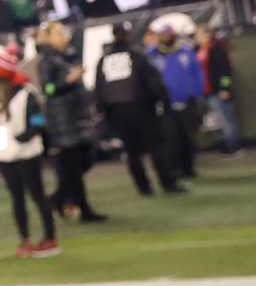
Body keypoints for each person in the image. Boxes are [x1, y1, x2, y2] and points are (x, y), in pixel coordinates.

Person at [0, 52, 59, 258]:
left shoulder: (27, 92)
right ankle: (25, 239)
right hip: (5, 156)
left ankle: (50, 238)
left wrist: (17, 139)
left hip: (27, 153)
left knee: (37, 195)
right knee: (16, 198)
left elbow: (38, 122)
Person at [95, 31, 185, 195]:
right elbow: (153, 81)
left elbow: (99, 89)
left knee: (132, 152)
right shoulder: (137, 56)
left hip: (118, 112)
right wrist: (163, 101)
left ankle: (143, 188)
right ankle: (167, 183)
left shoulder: (104, 60)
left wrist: (105, 114)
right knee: (157, 147)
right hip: (142, 109)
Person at [35, 21, 105, 223]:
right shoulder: (47, 61)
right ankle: (81, 208)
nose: (63, 36)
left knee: (81, 161)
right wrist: (68, 81)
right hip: (62, 121)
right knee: (73, 165)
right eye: (58, 33)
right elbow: (47, 89)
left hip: (74, 118)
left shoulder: (64, 57)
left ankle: (59, 198)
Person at [148, 25, 204, 180]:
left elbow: (197, 73)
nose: (166, 37)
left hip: (187, 102)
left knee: (188, 137)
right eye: (163, 34)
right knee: (171, 138)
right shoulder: (152, 55)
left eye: (168, 34)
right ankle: (174, 169)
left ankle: (189, 168)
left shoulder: (186, 52)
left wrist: (196, 93)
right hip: (164, 104)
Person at [199, 23, 242, 156]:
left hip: (217, 90)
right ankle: (226, 143)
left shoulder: (217, 49)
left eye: (199, 34)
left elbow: (225, 71)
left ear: (207, 35)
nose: (197, 37)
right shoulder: (201, 50)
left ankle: (233, 146)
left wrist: (225, 88)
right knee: (218, 121)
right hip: (207, 91)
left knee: (227, 119)